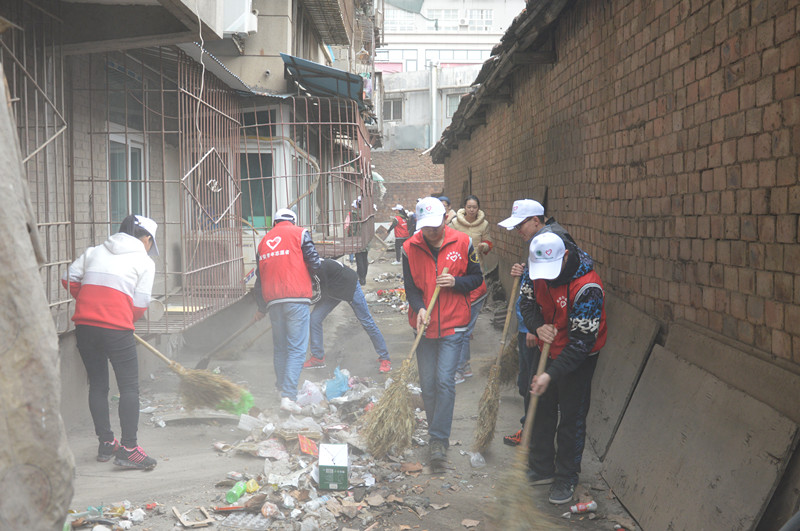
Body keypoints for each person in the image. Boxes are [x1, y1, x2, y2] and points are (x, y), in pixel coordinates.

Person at [62, 214, 159, 470]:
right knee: (129, 388)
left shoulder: (94, 251)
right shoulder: (144, 262)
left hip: (85, 326)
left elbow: (68, 278)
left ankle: (106, 442)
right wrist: (121, 315)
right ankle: (129, 449)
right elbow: (140, 304)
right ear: (146, 238)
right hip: (117, 329)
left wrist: (90, 302)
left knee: (98, 385)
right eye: (151, 242)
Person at [520, 231, 607, 505]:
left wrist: (551, 374)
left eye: (550, 271)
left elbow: (581, 343)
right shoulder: (535, 268)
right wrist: (537, 325)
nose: (544, 277)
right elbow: (527, 302)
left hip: (579, 354)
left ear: (565, 256)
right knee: (539, 404)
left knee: (571, 416)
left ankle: (567, 475)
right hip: (549, 343)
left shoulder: (588, 287)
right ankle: (542, 466)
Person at [403, 197, 483, 468]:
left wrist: (455, 282)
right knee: (427, 382)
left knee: (444, 380)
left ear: (445, 218)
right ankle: (436, 430)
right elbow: (411, 287)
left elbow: (477, 278)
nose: (431, 233)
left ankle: (438, 439)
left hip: (454, 323)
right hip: (424, 326)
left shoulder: (463, 242)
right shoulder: (409, 248)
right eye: (425, 228)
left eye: (435, 227)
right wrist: (419, 308)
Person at [496, 199, 575, 447]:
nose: (518, 231)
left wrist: (535, 328)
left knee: (533, 385)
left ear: (536, 221)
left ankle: (531, 434)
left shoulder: (555, 241)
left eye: (521, 225)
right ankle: (529, 429)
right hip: (534, 324)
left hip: (542, 330)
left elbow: (553, 293)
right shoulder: (539, 240)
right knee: (526, 382)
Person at [253, 208, 322, 414]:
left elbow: (259, 277)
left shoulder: (264, 241)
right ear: (292, 220)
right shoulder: (300, 233)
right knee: (297, 349)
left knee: (281, 348)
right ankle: (289, 397)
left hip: (273, 300)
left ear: (274, 222)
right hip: (296, 298)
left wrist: (261, 306)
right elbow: (315, 263)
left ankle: (281, 389)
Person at [303, 258, 392, 372]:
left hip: (350, 285)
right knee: (314, 319)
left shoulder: (316, 268)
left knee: (366, 322)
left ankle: (385, 358)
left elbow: (320, 294)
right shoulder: (305, 268)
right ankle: (317, 357)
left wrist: (304, 302)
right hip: (333, 290)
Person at [448, 194, 493, 383]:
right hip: (459, 278)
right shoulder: (454, 223)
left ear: (478, 208)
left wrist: (484, 246)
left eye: (475, 207)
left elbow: (490, 243)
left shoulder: (484, 224)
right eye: (469, 207)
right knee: (461, 329)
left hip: (475, 278)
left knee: (463, 330)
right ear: (464, 207)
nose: (472, 210)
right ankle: (464, 367)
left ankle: (460, 368)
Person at [347, 196, 369, 285]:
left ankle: (361, 278)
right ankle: (363, 277)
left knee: (359, 259)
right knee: (364, 259)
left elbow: (353, 227)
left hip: (357, 238)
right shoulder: (367, 213)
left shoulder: (354, 214)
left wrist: (350, 237)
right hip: (366, 238)